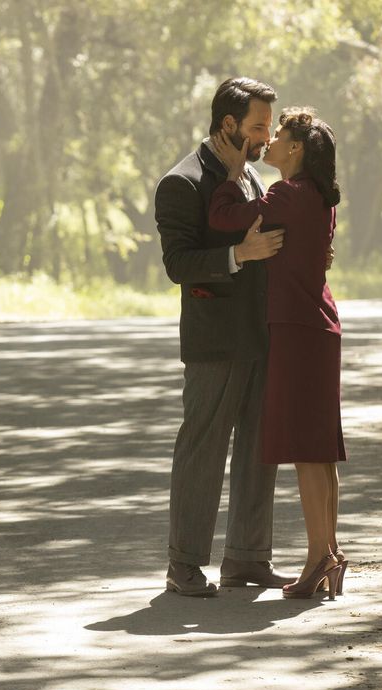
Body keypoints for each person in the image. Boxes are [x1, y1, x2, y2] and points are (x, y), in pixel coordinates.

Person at [155, 77, 296, 596]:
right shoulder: (182, 182)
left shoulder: (254, 175)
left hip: (264, 337)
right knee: (202, 452)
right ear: (229, 124)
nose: (266, 135)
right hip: (214, 343)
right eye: (259, 125)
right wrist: (239, 255)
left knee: (261, 449)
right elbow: (178, 264)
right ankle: (184, 565)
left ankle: (247, 559)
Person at [208, 107, 346, 599]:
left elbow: (222, 216)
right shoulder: (319, 196)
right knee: (321, 452)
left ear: (297, 149)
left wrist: (229, 174)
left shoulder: (287, 194)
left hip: (298, 329)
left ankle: (318, 560)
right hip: (319, 325)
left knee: (309, 453)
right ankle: (327, 553)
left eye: (280, 135)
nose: (270, 142)